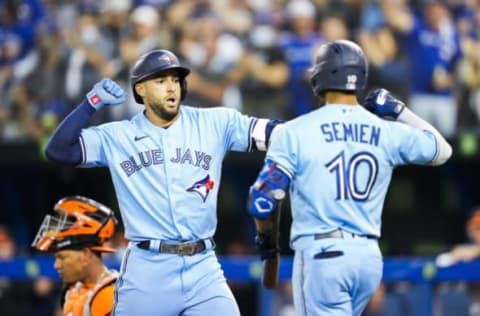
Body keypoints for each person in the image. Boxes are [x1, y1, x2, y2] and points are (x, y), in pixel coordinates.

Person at [43, 48, 281, 315]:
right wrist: (92, 102)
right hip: (147, 269)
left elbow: (276, 133)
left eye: (175, 80)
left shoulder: (215, 122)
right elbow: (58, 150)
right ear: (141, 89)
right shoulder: (119, 136)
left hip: (203, 266)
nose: (171, 87)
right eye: (161, 80)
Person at [247, 39, 452, 316]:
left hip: (323, 254)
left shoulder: (294, 131)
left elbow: (263, 198)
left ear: (319, 77)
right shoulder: (386, 130)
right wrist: (399, 111)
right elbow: (442, 150)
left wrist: (268, 246)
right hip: (367, 259)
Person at [31, 195, 118, 316]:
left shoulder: (111, 297)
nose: (56, 265)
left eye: (63, 257)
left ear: (86, 254)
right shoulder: (72, 289)